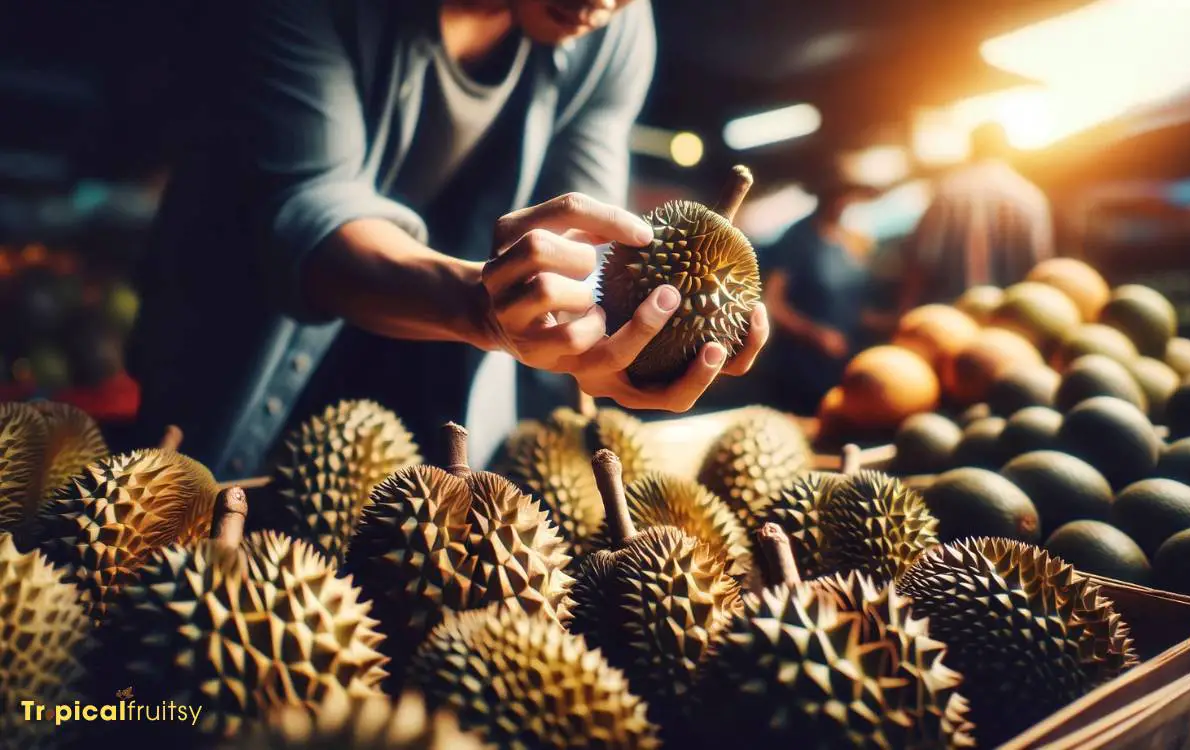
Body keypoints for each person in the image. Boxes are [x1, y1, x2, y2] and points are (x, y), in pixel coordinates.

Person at [126, 0, 768, 480]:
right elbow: (310, 216)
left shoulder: (617, 31)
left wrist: (614, 342)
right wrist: (479, 308)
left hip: (445, 431)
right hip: (235, 375)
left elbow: (589, 251)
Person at [899, 121, 1054, 310]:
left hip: (950, 319)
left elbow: (923, 261)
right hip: (1012, 319)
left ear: (972, 147)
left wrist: (905, 309)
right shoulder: (1029, 195)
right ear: (1007, 149)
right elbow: (1040, 266)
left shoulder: (948, 191)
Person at [762, 183, 874, 415]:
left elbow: (855, 302)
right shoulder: (795, 239)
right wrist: (815, 334)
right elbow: (773, 303)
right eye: (838, 195)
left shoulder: (852, 239)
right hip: (802, 368)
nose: (844, 203)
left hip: (845, 360)